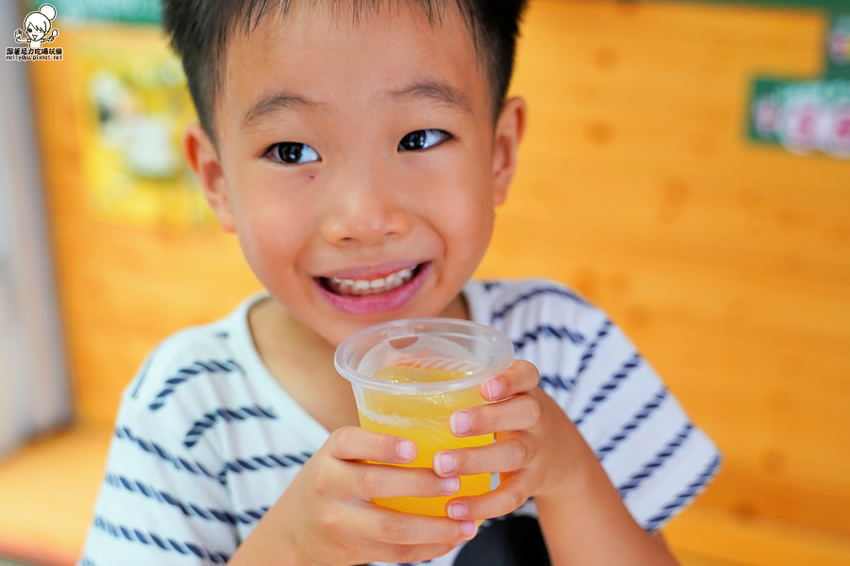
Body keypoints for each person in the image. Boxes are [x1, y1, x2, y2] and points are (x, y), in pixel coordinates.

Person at [79, 1, 720, 564]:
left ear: (499, 155)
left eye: (420, 136)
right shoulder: (184, 410)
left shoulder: (565, 350)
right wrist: (294, 548)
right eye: (292, 151)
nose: (364, 219)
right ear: (218, 183)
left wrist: (568, 473)